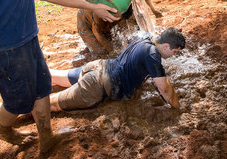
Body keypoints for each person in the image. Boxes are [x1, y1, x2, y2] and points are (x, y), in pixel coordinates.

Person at [0, 0, 120, 154]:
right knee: (17, 101)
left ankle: (47, 138)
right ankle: (4, 129)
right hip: (7, 40)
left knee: (42, 86)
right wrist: (91, 7)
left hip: (24, 32)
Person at [49, 27, 185, 112]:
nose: (174, 55)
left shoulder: (146, 37)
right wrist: (178, 109)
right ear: (166, 46)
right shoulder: (153, 55)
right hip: (97, 84)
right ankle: (28, 107)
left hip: (99, 66)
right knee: (52, 104)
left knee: (55, 76)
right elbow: (165, 89)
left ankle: (31, 73)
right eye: (175, 52)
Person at [77, 0, 162, 59]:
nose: (121, 21)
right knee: (102, 53)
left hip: (107, 17)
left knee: (121, 41)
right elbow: (97, 33)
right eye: (120, 18)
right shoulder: (100, 12)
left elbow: (137, 28)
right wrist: (113, 53)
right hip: (86, 23)